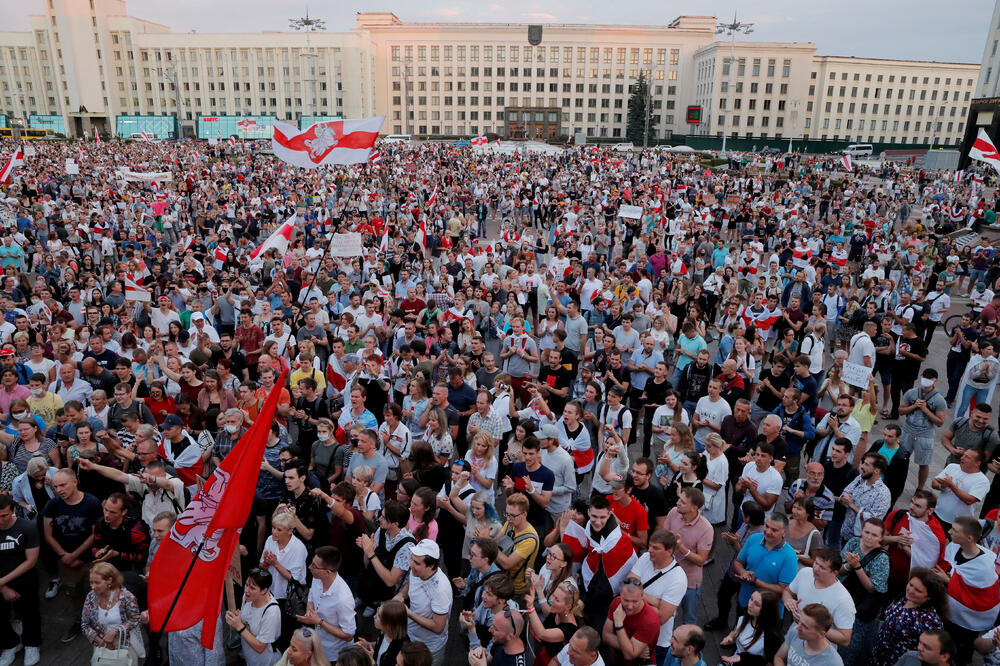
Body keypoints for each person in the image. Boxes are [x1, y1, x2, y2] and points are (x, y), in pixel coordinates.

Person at [43, 467, 102, 643]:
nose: (59, 490)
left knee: (99, 591)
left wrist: (75, 555)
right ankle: (80, 620)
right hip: (65, 560)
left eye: (63, 485)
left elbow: (96, 534)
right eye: (55, 487)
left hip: (90, 559)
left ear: (75, 482)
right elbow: (48, 534)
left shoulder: (92, 503)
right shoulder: (52, 505)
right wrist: (64, 555)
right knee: (74, 593)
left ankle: (103, 622)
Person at [939, 516, 1000, 664]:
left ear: (969, 538)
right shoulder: (953, 547)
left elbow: (981, 597)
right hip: (947, 613)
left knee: (958, 654)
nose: (949, 532)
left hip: (967, 622)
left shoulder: (985, 566)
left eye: (954, 530)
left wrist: (948, 580)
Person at [625, 529, 686, 666]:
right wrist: (657, 602)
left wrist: (636, 594)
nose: (649, 550)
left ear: (669, 551)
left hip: (656, 642)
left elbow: (661, 618)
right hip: (630, 630)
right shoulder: (646, 557)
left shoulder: (678, 578)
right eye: (650, 546)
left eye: (655, 548)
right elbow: (628, 584)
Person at [837, 518, 890, 663]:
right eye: (867, 532)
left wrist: (857, 567)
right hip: (843, 598)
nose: (869, 537)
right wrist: (848, 566)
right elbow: (839, 569)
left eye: (874, 535)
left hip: (862, 608)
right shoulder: (853, 543)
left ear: (881, 538)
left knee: (852, 646)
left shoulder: (882, 558)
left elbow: (873, 589)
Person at [871, 568, 948, 666]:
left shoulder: (930, 620)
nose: (911, 591)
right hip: (880, 655)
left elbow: (934, 652)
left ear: (928, 597)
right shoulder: (906, 599)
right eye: (911, 585)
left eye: (918, 590)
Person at [394, 539, 453, 666]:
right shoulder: (417, 572)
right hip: (411, 636)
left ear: (430, 566)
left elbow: (438, 627)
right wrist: (401, 594)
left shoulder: (441, 590)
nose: (411, 565)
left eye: (416, 562)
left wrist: (409, 614)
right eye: (412, 559)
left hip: (429, 648)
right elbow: (411, 583)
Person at [882, 490, 948, 601]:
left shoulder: (935, 534)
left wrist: (905, 548)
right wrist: (896, 539)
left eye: (918, 506)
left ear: (930, 511)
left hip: (911, 584)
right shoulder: (898, 515)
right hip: (886, 573)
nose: (911, 507)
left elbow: (927, 565)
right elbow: (879, 540)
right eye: (912, 502)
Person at [662, 487, 712, 626]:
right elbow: (663, 537)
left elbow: (701, 560)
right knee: (665, 617)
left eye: (683, 502)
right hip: (667, 576)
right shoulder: (673, 512)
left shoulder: (706, 528)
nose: (677, 503)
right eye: (679, 499)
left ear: (694, 508)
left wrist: (681, 548)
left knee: (689, 620)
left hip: (689, 582)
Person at [0, 494, 40, 666]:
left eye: (4, 515)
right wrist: (3, 587)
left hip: (25, 579)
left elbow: (31, 561)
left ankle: (32, 644)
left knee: (30, 613)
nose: (1, 521)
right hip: (1, 583)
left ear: (13, 511)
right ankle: (9, 644)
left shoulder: (27, 527)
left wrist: (2, 581)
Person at [732, 513, 798, 615]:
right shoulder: (753, 539)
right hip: (745, 602)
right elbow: (738, 562)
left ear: (784, 532)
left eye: (774, 530)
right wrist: (743, 572)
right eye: (767, 526)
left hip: (769, 612)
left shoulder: (790, 556)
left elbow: (784, 590)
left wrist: (755, 581)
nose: (768, 531)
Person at [299, 546, 356, 662]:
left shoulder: (343, 598)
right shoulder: (317, 577)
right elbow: (311, 596)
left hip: (335, 655)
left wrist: (319, 622)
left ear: (327, 572)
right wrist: (310, 611)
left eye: (314, 566)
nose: (309, 567)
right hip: (317, 645)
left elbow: (349, 635)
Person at [80, 562, 142, 666]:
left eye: (97, 582)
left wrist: (115, 631)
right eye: (91, 582)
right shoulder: (91, 597)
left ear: (109, 580)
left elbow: (135, 619)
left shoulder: (127, 598)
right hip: (101, 646)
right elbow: (84, 624)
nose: (92, 587)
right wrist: (99, 640)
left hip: (124, 645)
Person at [899, 368, 948, 491]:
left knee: (924, 463)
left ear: (935, 380)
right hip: (907, 431)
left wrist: (926, 410)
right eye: (924, 377)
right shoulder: (911, 393)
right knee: (900, 459)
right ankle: (897, 483)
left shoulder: (939, 400)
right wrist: (914, 406)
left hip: (925, 435)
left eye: (929, 378)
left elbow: (940, 422)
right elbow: (901, 410)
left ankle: (920, 488)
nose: (926, 380)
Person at [225, 567, 281, 666]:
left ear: (264, 590)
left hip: (267, 661)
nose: (246, 590)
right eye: (246, 585)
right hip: (250, 658)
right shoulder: (247, 597)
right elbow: (247, 621)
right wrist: (236, 618)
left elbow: (260, 647)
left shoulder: (271, 611)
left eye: (252, 588)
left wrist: (239, 626)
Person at [837, 453, 891, 549]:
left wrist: (852, 505)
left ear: (876, 471)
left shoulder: (883, 493)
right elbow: (845, 492)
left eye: (866, 464)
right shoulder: (860, 479)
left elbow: (874, 519)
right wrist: (843, 497)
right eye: (863, 463)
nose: (862, 466)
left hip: (862, 542)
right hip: (845, 533)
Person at [601, 579, 660, 666]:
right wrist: (630, 648)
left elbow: (629, 655)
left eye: (635, 601)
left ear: (642, 596)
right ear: (620, 595)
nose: (630, 606)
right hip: (617, 661)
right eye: (626, 600)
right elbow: (605, 636)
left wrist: (619, 624)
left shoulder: (650, 620)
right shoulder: (616, 602)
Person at [931, 448, 989, 531]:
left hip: (959, 525)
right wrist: (942, 486)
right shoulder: (952, 467)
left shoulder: (982, 481)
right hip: (937, 514)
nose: (962, 458)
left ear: (977, 463)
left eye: (967, 457)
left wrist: (951, 485)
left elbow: (969, 500)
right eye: (963, 455)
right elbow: (934, 483)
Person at [719, 590, 782, 666]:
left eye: (757, 604)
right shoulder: (745, 613)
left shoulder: (772, 636)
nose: (750, 605)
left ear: (766, 610)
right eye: (751, 599)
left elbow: (770, 663)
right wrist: (731, 637)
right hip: (733, 662)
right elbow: (736, 630)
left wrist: (745, 658)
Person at [774, 603, 843, 666]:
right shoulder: (795, 632)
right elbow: (779, 657)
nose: (798, 627)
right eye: (799, 622)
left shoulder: (833, 662)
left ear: (821, 634)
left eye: (805, 626)